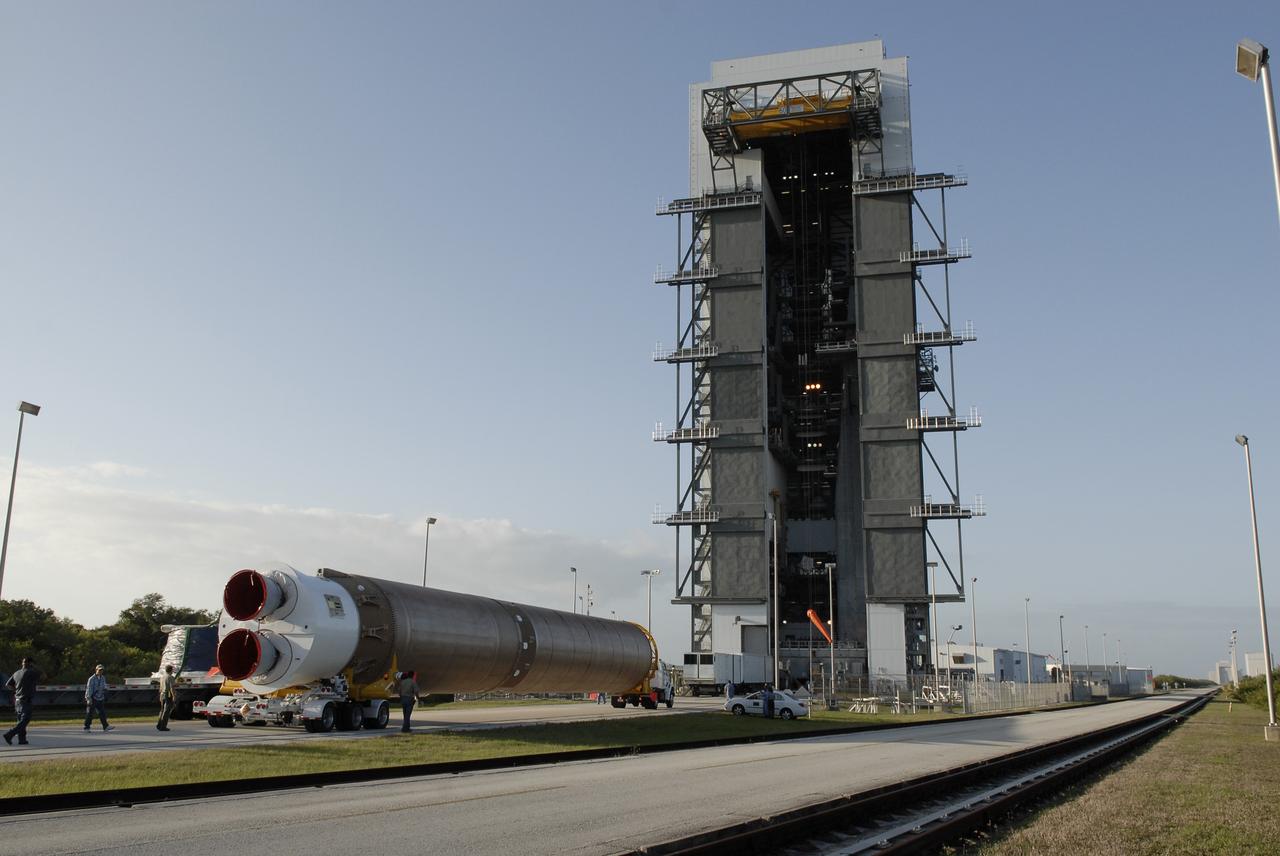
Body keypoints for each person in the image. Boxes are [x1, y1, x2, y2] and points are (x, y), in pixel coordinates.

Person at [4, 657, 41, 745]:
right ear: (30, 663)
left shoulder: (16, 673)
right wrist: (35, 666)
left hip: (17, 701)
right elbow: (44, 675)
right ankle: (10, 734)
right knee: (25, 720)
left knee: (20, 720)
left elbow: (7, 684)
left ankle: (22, 740)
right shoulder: (31, 672)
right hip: (26, 700)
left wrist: (16, 690)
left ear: (22, 663)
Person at [84, 664, 113, 732]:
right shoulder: (91, 679)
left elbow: (104, 686)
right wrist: (89, 699)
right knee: (90, 714)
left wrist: (105, 690)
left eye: (102, 670)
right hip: (93, 698)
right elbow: (89, 689)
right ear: (96, 670)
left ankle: (105, 727)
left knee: (102, 713)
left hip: (100, 698)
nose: (100, 671)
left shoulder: (103, 678)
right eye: (99, 670)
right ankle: (86, 727)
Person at [156, 664, 176, 731]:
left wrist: (160, 696)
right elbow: (171, 688)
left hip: (162, 694)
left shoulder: (162, 677)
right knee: (166, 711)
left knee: (162, 710)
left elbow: (160, 688)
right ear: (171, 670)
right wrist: (174, 696)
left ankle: (159, 724)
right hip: (168, 694)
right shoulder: (170, 677)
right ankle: (163, 726)